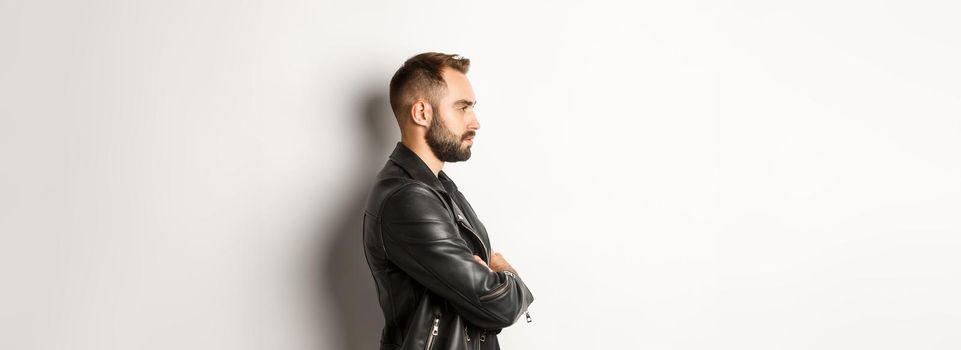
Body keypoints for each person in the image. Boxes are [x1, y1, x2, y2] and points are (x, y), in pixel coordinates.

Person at [362, 52, 534, 350]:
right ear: (422, 113)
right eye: (463, 108)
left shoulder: (439, 188)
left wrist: (492, 285)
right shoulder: (408, 199)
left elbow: (484, 304)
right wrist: (505, 272)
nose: (475, 122)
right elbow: (498, 306)